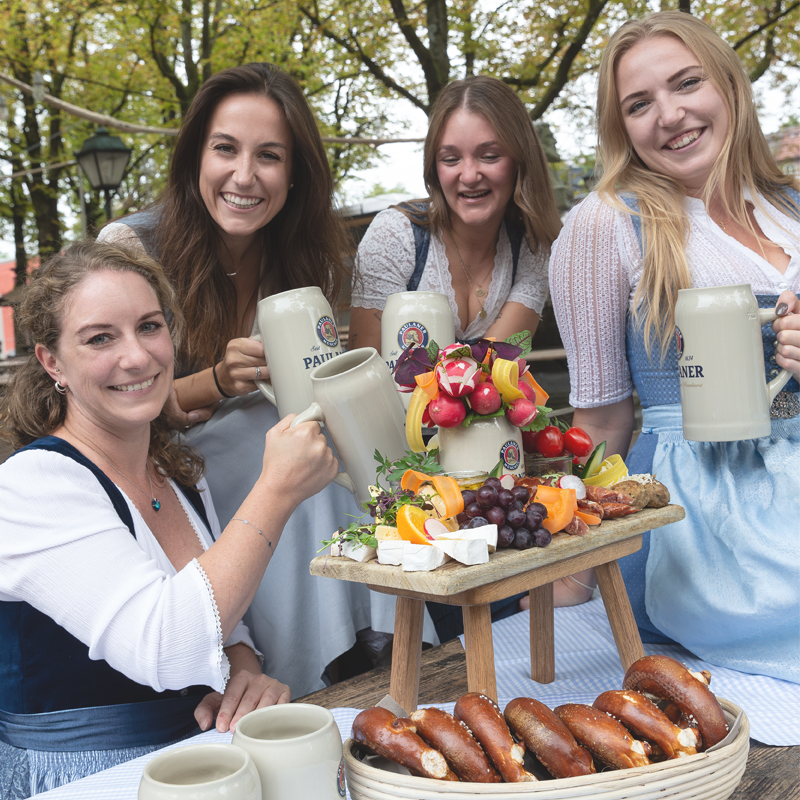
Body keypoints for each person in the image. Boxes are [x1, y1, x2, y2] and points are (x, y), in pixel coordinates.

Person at [98, 63, 426, 697]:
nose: (244, 176)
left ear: (294, 173)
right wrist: (216, 381)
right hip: (166, 459)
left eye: (269, 156)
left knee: (342, 446)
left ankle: (387, 639)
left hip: (285, 444)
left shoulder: (308, 261)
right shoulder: (133, 248)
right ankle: (325, 665)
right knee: (276, 439)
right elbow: (107, 407)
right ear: (195, 155)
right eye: (226, 149)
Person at [0, 242, 338, 797]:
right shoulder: (33, 486)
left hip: (203, 762)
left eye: (150, 327)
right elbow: (169, 648)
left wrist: (243, 672)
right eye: (100, 338)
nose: (138, 357)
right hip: (86, 779)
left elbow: (218, 617)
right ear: (51, 362)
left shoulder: (174, 471)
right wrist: (275, 492)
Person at [549, 11, 800, 683]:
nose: (668, 114)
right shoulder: (606, 225)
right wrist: (566, 579)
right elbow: (599, 422)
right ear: (621, 127)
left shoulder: (790, 205)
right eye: (639, 104)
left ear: (727, 85)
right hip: (710, 517)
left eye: (686, 83)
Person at [348, 75, 595, 632]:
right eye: (450, 158)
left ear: (518, 161)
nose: (469, 175)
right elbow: (368, 375)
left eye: (489, 155)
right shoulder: (395, 236)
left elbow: (495, 372)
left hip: (483, 468)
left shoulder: (533, 244)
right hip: (394, 466)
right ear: (433, 166)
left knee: (496, 621)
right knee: (416, 633)